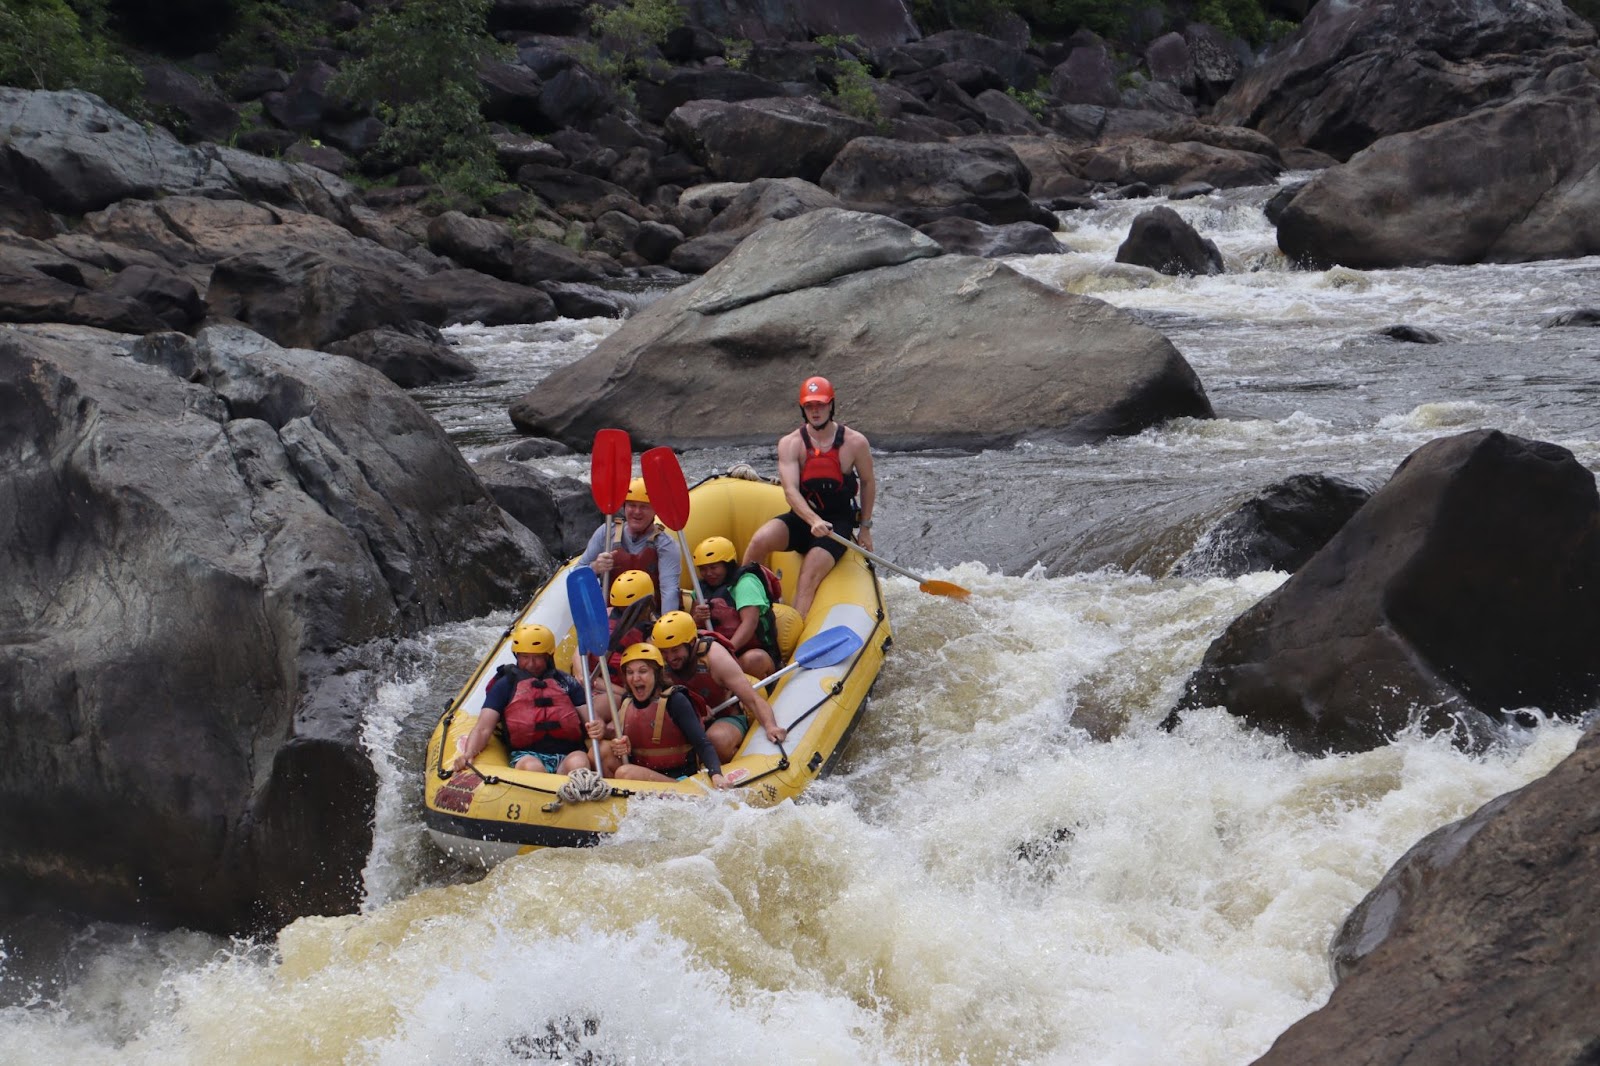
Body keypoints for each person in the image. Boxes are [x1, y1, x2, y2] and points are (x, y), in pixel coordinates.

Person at [742, 375, 876, 618]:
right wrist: (812, 520)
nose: (815, 411)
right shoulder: (790, 443)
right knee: (759, 541)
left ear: (831, 405)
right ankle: (745, 608)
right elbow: (790, 490)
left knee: (808, 574)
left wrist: (865, 527)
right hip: (802, 520)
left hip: (837, 524)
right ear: (802, 409)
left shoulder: (855, 443)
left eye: (821, 405)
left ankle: (792, 635)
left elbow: (867, 482)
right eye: (810, 406)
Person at [452, 623, 593, 775]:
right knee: (532, 767)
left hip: (567, 754)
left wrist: (599, 728)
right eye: (524, 657)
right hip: (526, 755)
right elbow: (483, 728)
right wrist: (468, 754)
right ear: (516, 655)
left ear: (549, 656)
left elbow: (591, 721)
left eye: (537, 657)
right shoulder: (505, 685)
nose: (531, 664)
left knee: (579, 762)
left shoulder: (566, 682)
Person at [653, 610, 786, 763]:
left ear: (690, 643)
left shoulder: (714, 657)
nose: (669, 658)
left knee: (716, 739)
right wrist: (692, 711)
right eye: (664, 652)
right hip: (685, 722)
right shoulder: (658, 660)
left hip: (724, 716)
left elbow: (753, 700)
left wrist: (771, 727)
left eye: (675, 650)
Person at [597, 643, 728, 789]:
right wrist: (622, 747)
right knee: (601, 750)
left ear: (657, 673)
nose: (635, 678)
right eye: (630, 672)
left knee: (625, 773)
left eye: (643, 671)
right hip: (645, 775)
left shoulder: (676, 700)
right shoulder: (627, 701)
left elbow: (703, 744)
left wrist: (716, 774)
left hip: (680, 780)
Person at [577, 477, 682, 612]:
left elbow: (669, 591)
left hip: (648, 618)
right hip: (612, 618)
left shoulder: (665, 545)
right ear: (625, 507)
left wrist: (664, 628)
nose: (637, 512)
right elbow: (576, 575)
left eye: (644, 507)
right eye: (632, 505)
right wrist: (595, 567)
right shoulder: (606, 532)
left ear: (655, 510)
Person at [689, 536, 780, 679]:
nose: (708, 573)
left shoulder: (745, 583)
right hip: (715, 657)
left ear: (727, 564)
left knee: (755, 659)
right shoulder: (700, 590)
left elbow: (750, 623)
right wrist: (697, 619)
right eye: (703, 569)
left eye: (713, 567)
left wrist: (726, 654)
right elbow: (692, 628)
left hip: (745, 652)